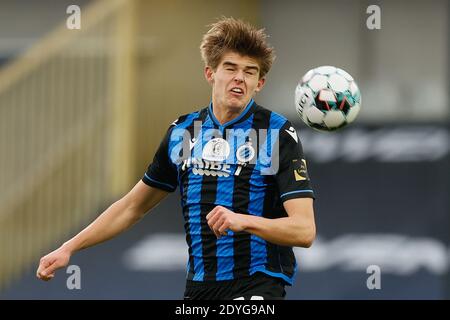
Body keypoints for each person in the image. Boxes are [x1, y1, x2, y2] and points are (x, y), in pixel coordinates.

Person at [37, 17, 316, 300]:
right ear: (210, 73)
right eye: (230, 68)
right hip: (199, 288)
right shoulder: (183, 132)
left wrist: (243, 221)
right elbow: (132, 207)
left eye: (250, 72)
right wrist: (68, 247)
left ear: (260, 83)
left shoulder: (278, 133)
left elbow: (304, 230)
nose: (239, 79)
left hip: (257, 284)